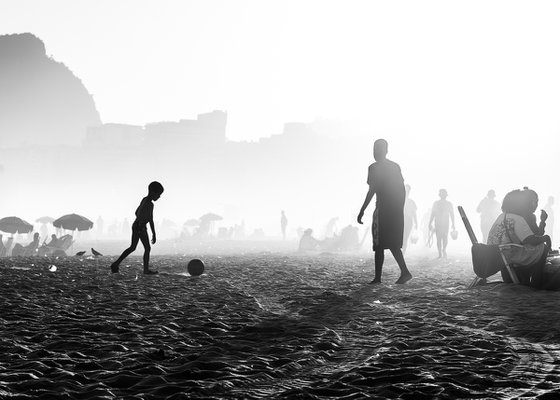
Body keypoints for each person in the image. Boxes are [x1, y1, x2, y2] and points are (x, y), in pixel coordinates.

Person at [357, 138, 412, 284]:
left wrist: (362, 210)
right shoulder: (394, 166)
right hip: (393, 210)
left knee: (379, 244)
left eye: (378, 149)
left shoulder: (374, 168)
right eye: (374, 150)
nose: (376, 152)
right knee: (390, 244)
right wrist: (399, 208)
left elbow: (372, 190)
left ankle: (379, 277)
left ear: (386, 151)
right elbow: (402, 189)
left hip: (383, 210)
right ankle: (403, 272)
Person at [487, 189, 551, 288]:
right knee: (543, 248)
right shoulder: (519, 218)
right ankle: (536, 283)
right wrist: (546, 237)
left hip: (498, 255)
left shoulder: (501, 216)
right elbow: (530, 239)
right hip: (512, 255)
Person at [110, 181, 164, 274]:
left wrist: (142, 218)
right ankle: (146, 270)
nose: (159, 197)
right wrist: (154, 233)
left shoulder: (144, 200)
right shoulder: (150, 204)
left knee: (133, 247)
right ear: (153, 192)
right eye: (158, 194)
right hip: (140, 227)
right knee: (147, 248)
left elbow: (136, 212)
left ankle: (116, 264)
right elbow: (150, 219)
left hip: (136, 225)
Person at [429, 189, 455, 259]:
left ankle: (442, 251)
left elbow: (452, 214)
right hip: (439, 223)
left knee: (442, 238)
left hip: (444, 223)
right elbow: (433, 213)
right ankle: (441, 252)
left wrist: (453, 223)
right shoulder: (436, 203)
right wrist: (430, 223)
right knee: (441, 238)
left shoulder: (448, 204)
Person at [402, 184, 418, 253]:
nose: (406, 192)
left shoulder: (412, 202)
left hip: (408, 221)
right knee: (401, 237)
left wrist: (416, 223)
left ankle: (403, 253)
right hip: (399, 221)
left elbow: (414, 213)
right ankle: (400, 252)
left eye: (408, 191)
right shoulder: (397, 201)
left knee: (405, 238)